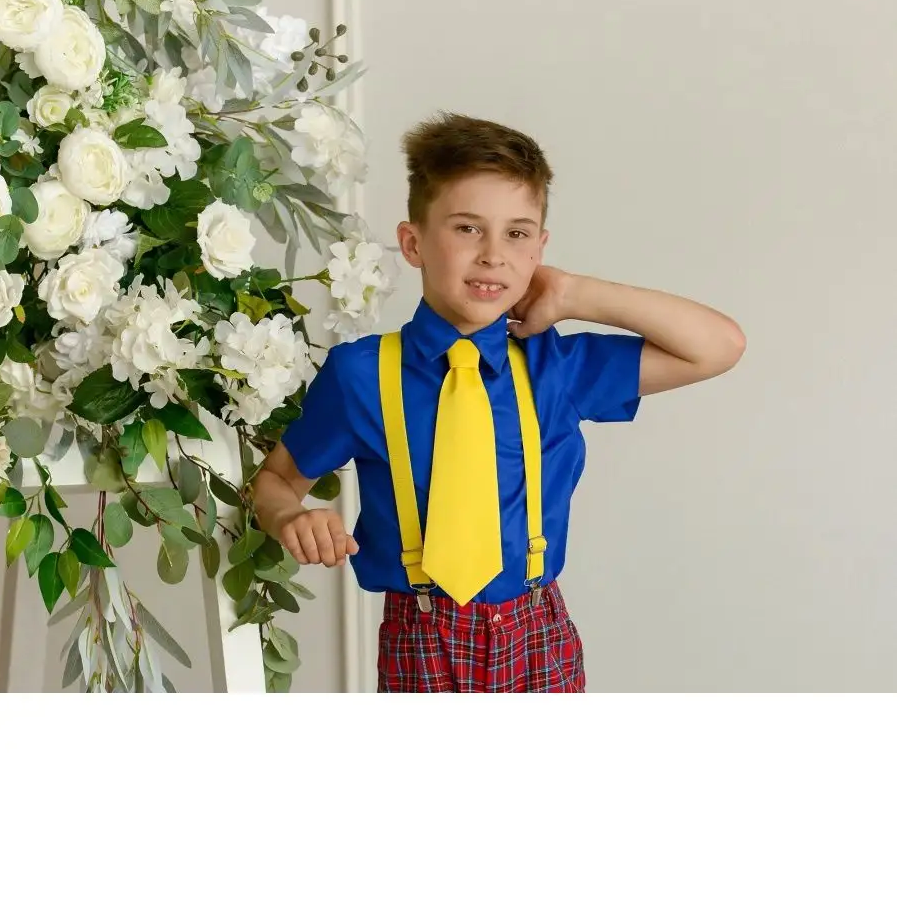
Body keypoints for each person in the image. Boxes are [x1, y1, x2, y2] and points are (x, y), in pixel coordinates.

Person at [252, 112, 746, 692]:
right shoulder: (361, 374)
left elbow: (718, 346)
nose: (493, 255)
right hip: (420, 639)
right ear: (413, 243)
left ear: (539, 248)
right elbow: (275, 482)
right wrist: (291, 517)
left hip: (538, 635)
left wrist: (575, 293)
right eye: (467, 228)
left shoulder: (556, 368)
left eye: (517, 234)